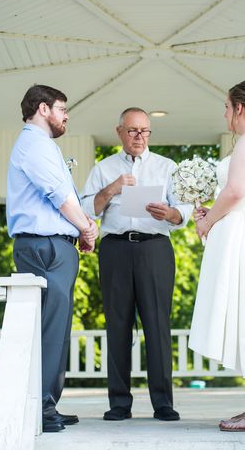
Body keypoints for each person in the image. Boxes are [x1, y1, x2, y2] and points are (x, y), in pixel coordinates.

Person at [80, 107, 192, 422]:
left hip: (155, 248)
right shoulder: (103, 169)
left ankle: (163, 403)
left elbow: (182, 211)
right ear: (119, 132)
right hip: (115, 249)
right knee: (117, 325)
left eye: (144, 131)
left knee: (158, 325)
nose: (139, 136)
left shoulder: (167, 167)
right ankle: (119, 403)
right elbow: (88, 208)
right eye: (132, 130)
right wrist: (112, 188)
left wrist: (168, 214)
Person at [188, 79, 245, 432]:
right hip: (243, 233)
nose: (225, 114)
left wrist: (208, 222)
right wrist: (211, 212)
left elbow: (237, 191)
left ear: (239, 109)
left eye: (226, 107)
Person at [6, 84, 98, 433]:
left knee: (56, 327)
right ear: (43, 109)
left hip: (55, 245)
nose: (66, 115)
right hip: (43, 245)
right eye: (62, 108)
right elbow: (60, 196)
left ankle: (47, 403)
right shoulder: (34, 144)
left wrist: (77, 232)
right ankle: (40, 405)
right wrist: (86, 228)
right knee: (48, 327)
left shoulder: (44, 146)